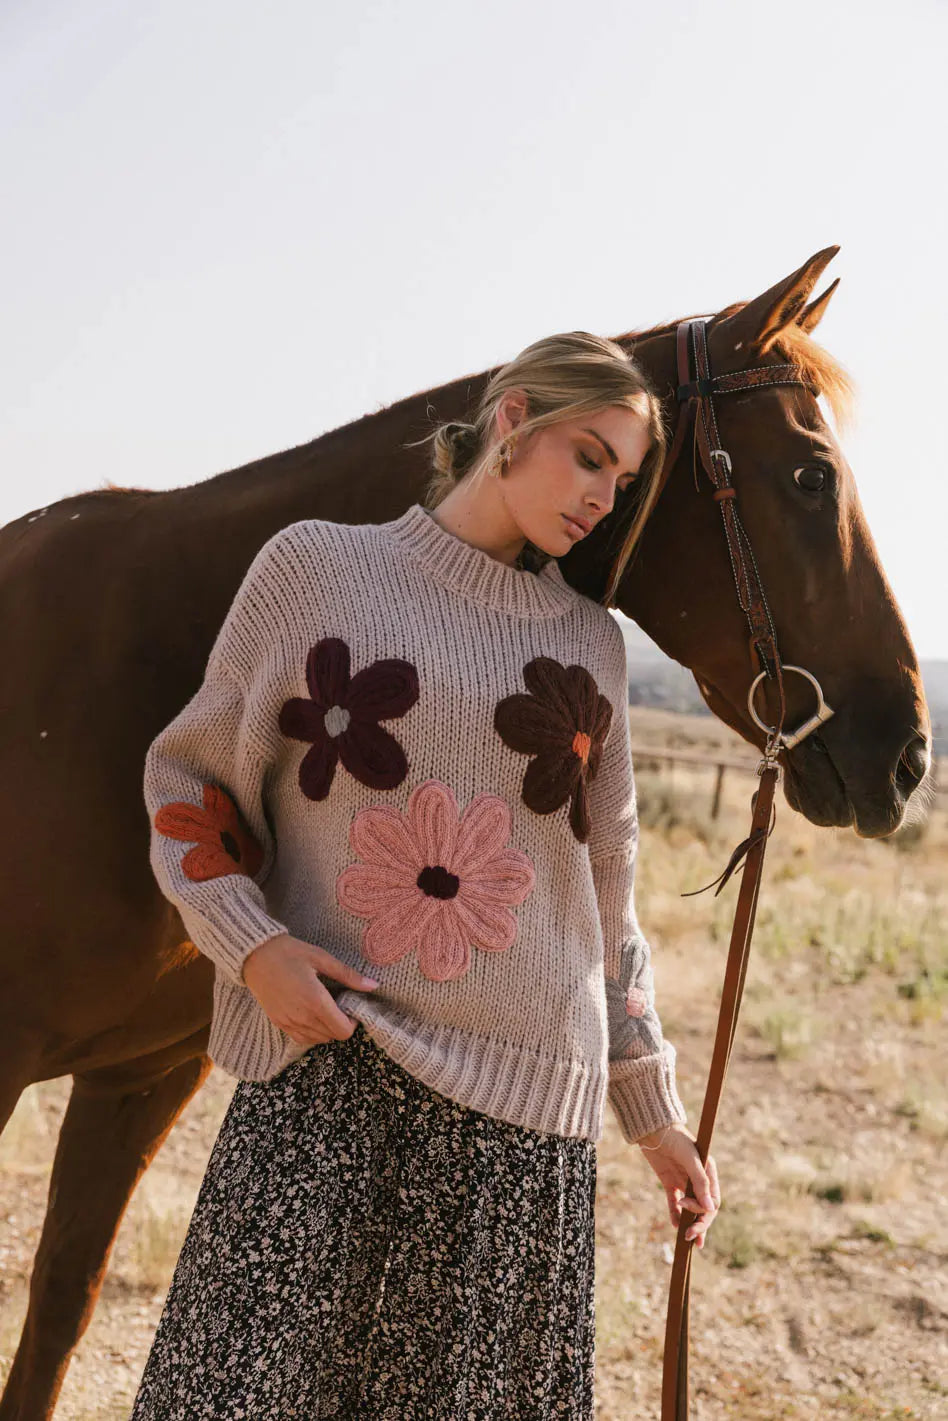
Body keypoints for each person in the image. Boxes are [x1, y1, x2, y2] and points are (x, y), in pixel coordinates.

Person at [129, 330, 720, 1420]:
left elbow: (607, 902)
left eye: (623, 478)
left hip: (517, 1128)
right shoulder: (316, 569)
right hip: (330, 1077)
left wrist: (653, 1107)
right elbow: (191, 781)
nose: (603, 495)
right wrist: (249, 944)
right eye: (589, 454)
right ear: (512, 418)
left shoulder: (589, 645)